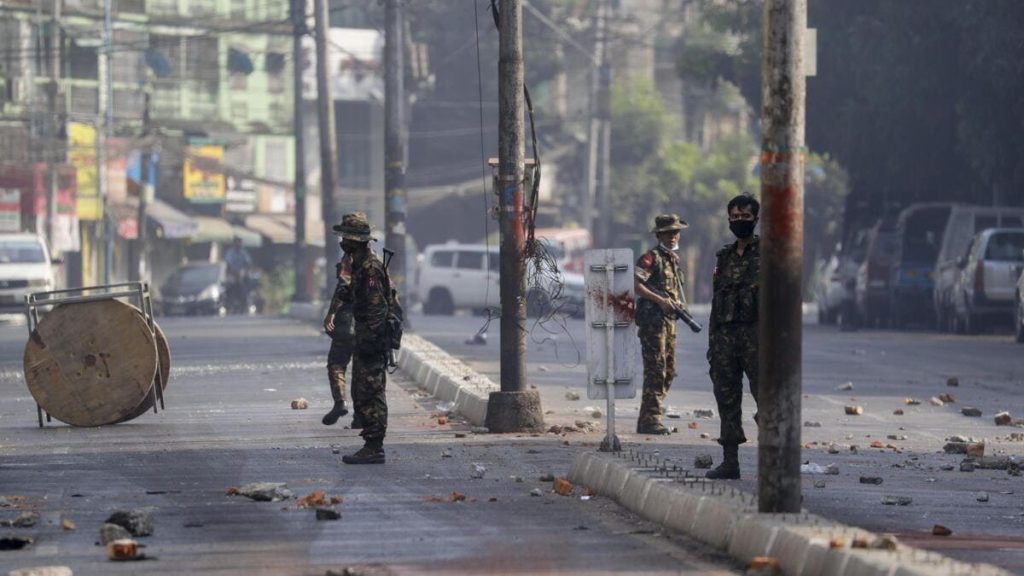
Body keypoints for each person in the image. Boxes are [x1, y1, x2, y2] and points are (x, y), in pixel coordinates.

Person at [706, 194, 761, 480]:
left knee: (766, 399)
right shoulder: (723, 258)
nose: (739, 221)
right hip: (726, 340)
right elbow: (717, 301)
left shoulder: (767, 253)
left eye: (745, 217)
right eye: (735, 217)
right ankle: (730, 462)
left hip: (757, 339)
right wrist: (713, 344)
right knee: (727, 399)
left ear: (756, 218)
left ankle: (773, 460)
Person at [334, 212, 390, 465]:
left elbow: (377, 306)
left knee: (371, 392)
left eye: (346, 238)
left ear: (355, 240)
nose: (342, 242)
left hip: (372, 339)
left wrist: (372, 340)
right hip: (365, 336)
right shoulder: (358, 265)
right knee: (361, 390)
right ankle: (370, 443)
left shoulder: (369, 268)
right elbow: (355, 297)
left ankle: (374, 445)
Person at [634, 213, 689, 435]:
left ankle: (649, 415)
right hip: (653, 323)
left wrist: (677, 304)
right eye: (667, 233)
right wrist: (661, 301)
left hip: (668, 323)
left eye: (675, 233)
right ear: (659, 235)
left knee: (669, 371)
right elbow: (636, 284)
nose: (672, 237)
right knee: (656, 369)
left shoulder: (673, 261)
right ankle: (650, 419)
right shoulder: (651, 258)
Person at [321, 253, 357, 427]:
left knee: (336, 363)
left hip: (349, 322)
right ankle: (362, 415)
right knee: (363, 371)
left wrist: (332, 312)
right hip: (371, 325)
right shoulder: (376, 262)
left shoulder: (349, 259)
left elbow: (344, 285)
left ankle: (340, 401)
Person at [223, 236, 253, 311]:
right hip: (232, 274)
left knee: (248, 284)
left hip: (242, 273)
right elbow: (229, 264)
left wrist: (244, 271)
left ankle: (247, 302)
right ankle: (228, 304)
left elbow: (248, 263)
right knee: (228, 287)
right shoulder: (230, 252)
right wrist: (234, 273)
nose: (238, 244)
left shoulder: (243, 252)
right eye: (237, 243)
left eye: (240, 243)